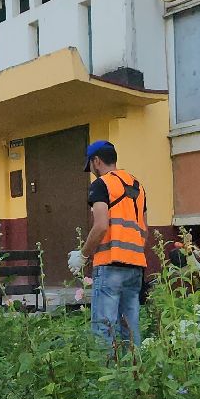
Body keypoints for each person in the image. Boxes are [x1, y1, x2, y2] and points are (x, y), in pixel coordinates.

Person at [68, 141, 148, 351]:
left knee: (104, 329)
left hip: (110, 264)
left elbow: (101, 225)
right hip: (136, 267)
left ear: (96, 161)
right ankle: (135, 376)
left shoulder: (102, 185)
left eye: (91, 167)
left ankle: (107, 381)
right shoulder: (138, 187)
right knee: (130, 329)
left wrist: (83, 255)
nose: (92, 173)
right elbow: (144, 231)